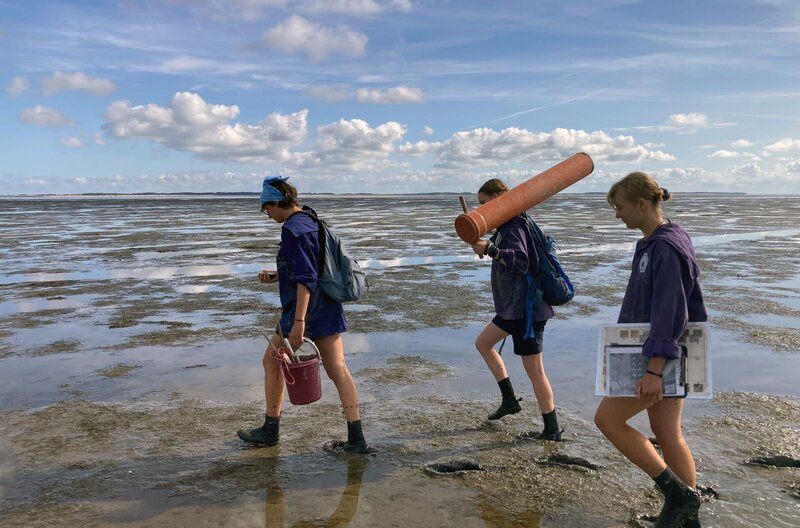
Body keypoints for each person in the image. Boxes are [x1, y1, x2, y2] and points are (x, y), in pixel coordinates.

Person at [594, 172, 705, 528]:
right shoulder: (657, 241)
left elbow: (672, 311)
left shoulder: (665, 247)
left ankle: (678, 495)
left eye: (620, 207)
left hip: (660, 356)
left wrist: (654, 370)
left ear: (642, 204)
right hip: (664, 353)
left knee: (608, 420)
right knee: (668, 433)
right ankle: (687, 518)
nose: (617, 215)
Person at [237, 175, 371, 453]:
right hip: (328, 306)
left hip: (305, 310)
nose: (268, 215)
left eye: (267, 209)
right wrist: (277, 275)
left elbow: (306, 278)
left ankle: (270, 429)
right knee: (338, 370)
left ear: (276, 202)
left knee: (272, 362)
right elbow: (312, 266)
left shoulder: (292, 229)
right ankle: (357, 438)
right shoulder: (311, 219)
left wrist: (298, 322)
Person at [468, 178, 563, 441]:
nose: (482, 210)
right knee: (483, 344)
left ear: (500, 198)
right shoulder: (507, 225)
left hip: (526, 313)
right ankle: (510, 400)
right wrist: (490, 246)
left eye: (485, 203)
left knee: (535, 372)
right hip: (513, 310)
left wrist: (490, 249)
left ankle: (552, 428)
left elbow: (521, 261)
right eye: (479, 205)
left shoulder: (516, 225)